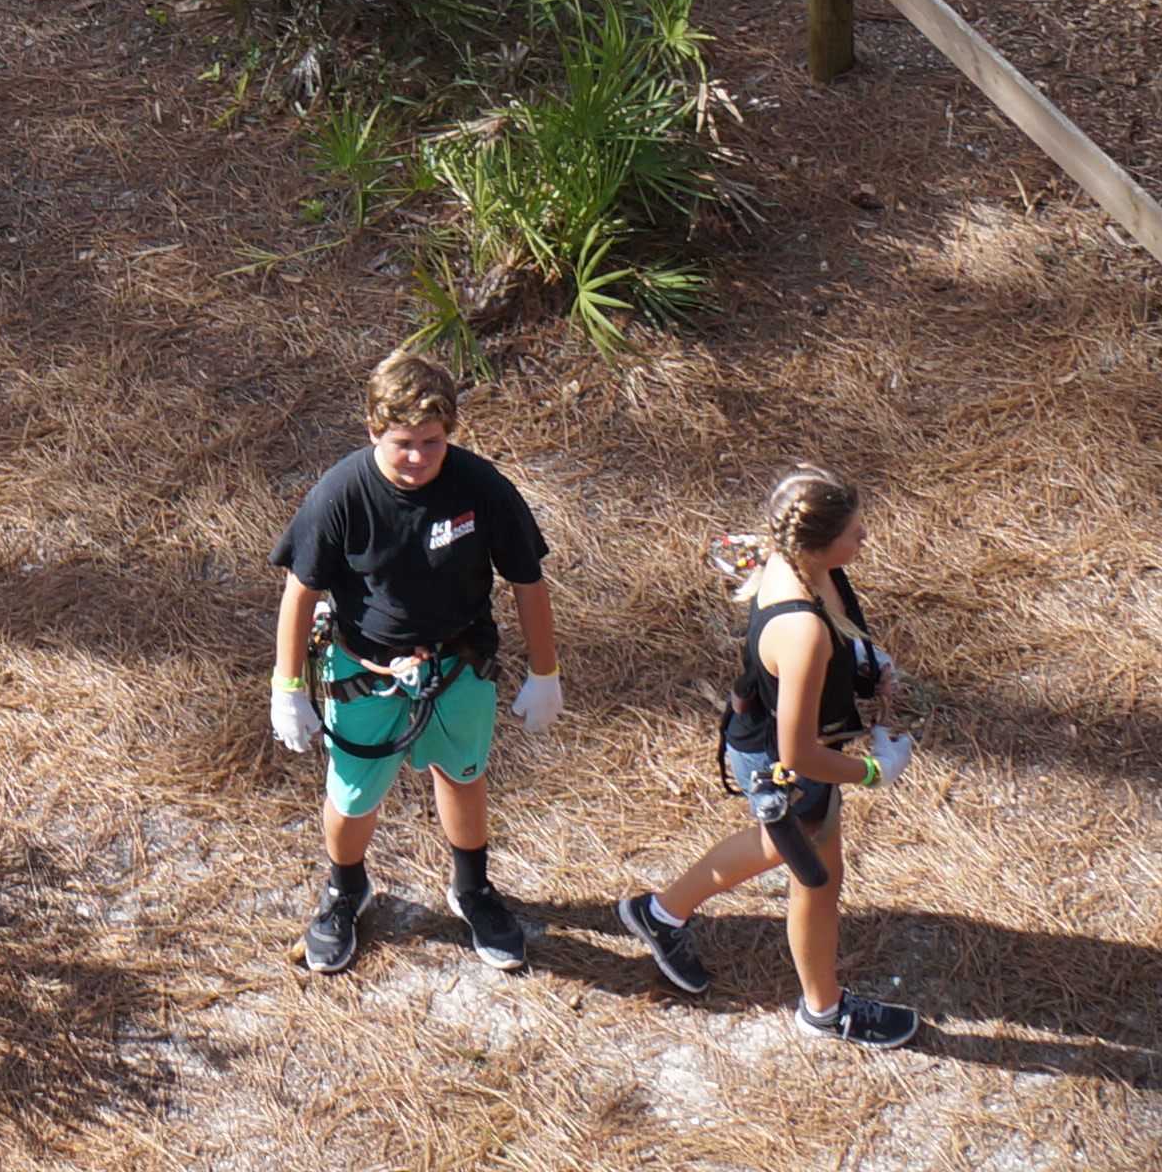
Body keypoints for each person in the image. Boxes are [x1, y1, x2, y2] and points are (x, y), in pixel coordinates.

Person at [267, 347, 564, 977]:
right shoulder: (341, 493)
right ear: (374, 431)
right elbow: (302, 591)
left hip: (457, 667)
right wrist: (286, 687)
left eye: (431, 442)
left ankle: (473, 890)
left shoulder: (481, 488)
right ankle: (346, 891)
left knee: (463, 776)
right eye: (403, 442)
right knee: (351, 796)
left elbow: (527, 582)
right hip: (363, 673)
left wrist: (546, 673)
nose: (417, 458)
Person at [612, 466, 922, 1046]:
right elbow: (798, 753)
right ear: (812, 544)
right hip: (787, 768)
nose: (865, 540)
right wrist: (876, 771)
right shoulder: (801, 631)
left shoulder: (788, 562)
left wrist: (861, 659)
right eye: (854, 532)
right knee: (818, 879)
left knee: (775, 849)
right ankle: (825, 1011)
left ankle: (659, 915)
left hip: (773, 745)